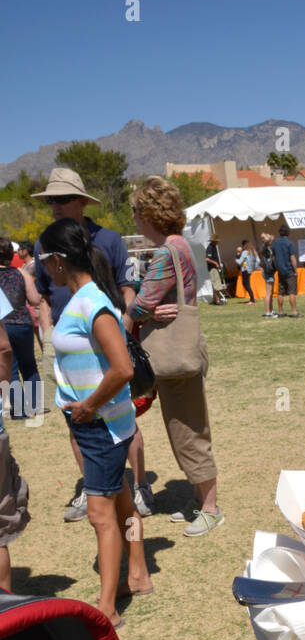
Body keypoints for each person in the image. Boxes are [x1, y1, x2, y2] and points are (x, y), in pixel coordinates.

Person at [38, 219, 151, 626]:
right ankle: (136, 573)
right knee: (123, 505)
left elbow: (121, 368)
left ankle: (107, 608)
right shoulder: (83, 299)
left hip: (100, 424)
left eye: (43, 260)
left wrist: (87, 406)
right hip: (102, 423)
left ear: (56, 261)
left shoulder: (92, 304)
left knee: (101, 516)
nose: (42, 268)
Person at [32, 168, 136, 523]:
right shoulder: (43, 242)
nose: (55, 206)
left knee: (119, 417)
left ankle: (130, 489)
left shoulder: (108, 239)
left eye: (61, 199)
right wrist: (48, 334)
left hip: (102, 338)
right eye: (50, 201)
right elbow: (44, 296)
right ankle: (95, 488)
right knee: (75, 417)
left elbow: (125, 286)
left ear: (81, 201)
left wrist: (123, 322)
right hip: (64, 340)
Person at [125, 177, 223, 538]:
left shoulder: (166, 251)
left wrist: (136, 315)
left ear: (150, 213)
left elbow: (143, 302)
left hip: (174, 356)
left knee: (188, 430)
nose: (134, 219)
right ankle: (200, 500)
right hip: (184, 352)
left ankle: (210, 507)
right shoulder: (181, 245)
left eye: (137, 211)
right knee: (185, 427)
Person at [0, 288, 31, 589]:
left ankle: (26, 407)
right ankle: (28, 409)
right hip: (21, 325)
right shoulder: (20, 272)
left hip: (16, 327)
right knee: (30, 371)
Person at [0, 238, 43, 419]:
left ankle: (19, 410)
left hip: (3, 324)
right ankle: (35, 406)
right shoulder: (21, 273)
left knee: (12, 368)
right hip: (23, 323)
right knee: (29, 365)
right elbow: (34, 299)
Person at [272, 226, 299, 318]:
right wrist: (296, 270)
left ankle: (280, 312)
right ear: (288, 233)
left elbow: (274, 258)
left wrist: (277, 268)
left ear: (279, 233)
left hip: (281, 272)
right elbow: (292, 258)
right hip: (289, 271)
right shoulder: (289, 243)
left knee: (280, 292)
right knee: (291, 292)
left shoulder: (275, 243)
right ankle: (294, 312)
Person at [258, 232, 277, 318]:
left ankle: (271, 310)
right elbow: (265, 242)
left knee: (271, 293)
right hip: (267, 272)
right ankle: (268, 312)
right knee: (268, 293)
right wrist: (266, 237)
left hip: (270, 272)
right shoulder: (263, 247)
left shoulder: (269, 248)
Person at [205, 237, 226, 305]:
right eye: (217, 241)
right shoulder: (210, 247)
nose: (218, 242)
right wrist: (215, 263)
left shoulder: (213, 247)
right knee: (216, 285)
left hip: (214, 268)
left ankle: (215, 300)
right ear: (214, 241)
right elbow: (207, 259)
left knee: (215, 285)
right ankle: (217, 301)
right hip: (212, 269)